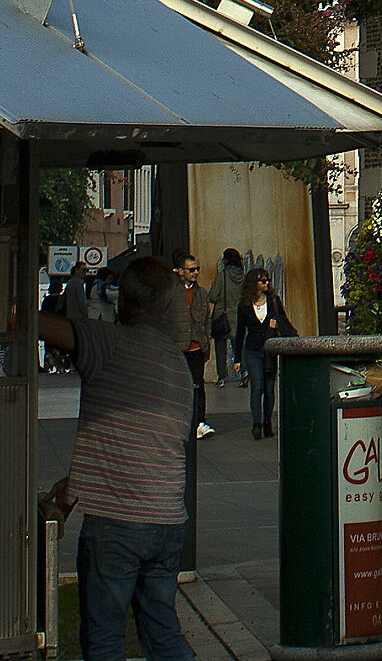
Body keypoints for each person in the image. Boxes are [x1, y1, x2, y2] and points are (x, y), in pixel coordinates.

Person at [37, 254, 198, 661]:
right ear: (165, 306)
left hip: (117, 521)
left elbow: (40, 327)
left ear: (122, 297)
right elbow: (134, 441)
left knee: (104, 639)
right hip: (167, 521)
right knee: (162, 633)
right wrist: (75, 483)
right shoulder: (178, 365)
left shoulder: (108, 342)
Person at [233, 267, 296, 440]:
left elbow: (284, 320)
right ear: (254, 284)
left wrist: (277, 326)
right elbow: (240, 332)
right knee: (257, 387)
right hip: (252, 350)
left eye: (267, 280)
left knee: (269, 390)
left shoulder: (274, 301)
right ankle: (257, 424)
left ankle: (267, 422)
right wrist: (237, 358)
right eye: (263, 280)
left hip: (270, 350)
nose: (266, 283)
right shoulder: (244, 305)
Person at [169, 255, 214, 439]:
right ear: (181, 271)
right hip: (178, 347)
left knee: (198, 385)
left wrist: (206, 341)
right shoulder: (172, 293)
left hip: (197, 347)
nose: (195, 273)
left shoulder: (201, 293)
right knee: (179, 386)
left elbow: (207, 320)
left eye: (197, 269)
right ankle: (180, 422)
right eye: (191, 269)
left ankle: (199, 422)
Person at [206, 250, 245, 386]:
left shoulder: (222, 276)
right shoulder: (243, 277)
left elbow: (212, 296)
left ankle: (222, 377)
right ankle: (244, 373)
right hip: (237, 315)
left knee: (220, 348)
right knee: (238, 347)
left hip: (222, 315)